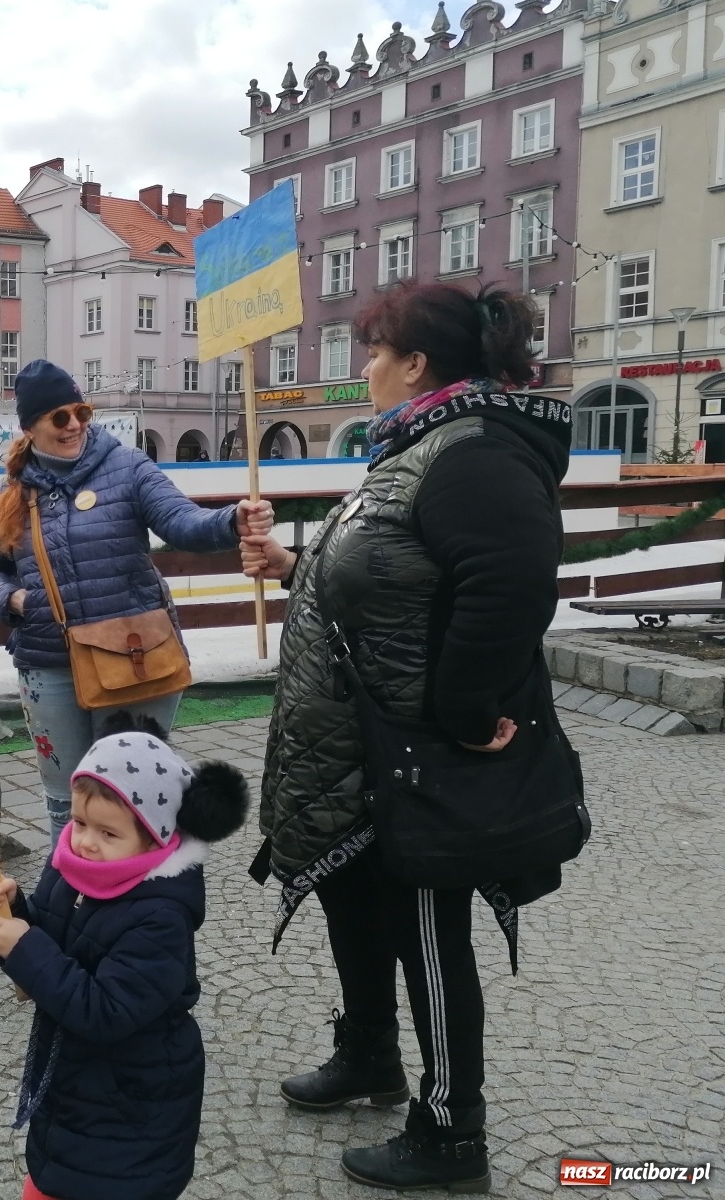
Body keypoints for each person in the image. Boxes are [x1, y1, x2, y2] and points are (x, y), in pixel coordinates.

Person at [240, 282, 569, 1193]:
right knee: (354, 896)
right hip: (364, 751)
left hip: (420, 751)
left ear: (415, 363)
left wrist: (461, 716)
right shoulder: (420, 444)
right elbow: (397, 569)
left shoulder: (478, 452)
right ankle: (371, 1057)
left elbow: (509, 588)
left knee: (428, 927)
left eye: (373, 351)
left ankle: (452, 1130)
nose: (365, 368)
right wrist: (297, 564)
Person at [0, 359, 274, 846]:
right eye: (58, 417)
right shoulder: (10, 494)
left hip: (134, 658)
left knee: (133, 797)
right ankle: (71, 909)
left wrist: (231, 522)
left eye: (81, 412)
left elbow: (181, 522)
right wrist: (12, 600)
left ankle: (140, 909)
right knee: (67, 804)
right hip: (48, 662)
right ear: (29, 427)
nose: (74, 425)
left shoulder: (128, 466)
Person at [0, 717, 248, 1200]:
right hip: (75, 1088)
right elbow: (45, 951)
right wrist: (8, 910)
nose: (85, 842)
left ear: (155, 837)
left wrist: (27, 947)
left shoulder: (161, 915)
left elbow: (105, 1010)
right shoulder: (71, 869)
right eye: (79, 822)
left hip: (131, 1104)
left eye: (108, 832)